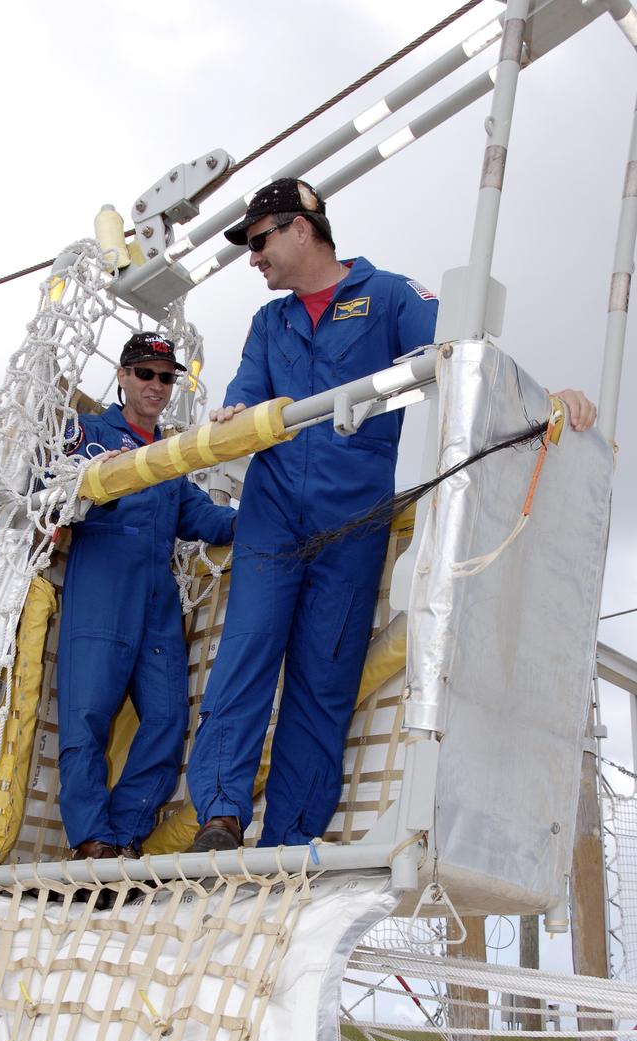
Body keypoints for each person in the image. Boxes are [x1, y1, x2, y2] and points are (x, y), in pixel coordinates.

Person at [186, 177, 597, 853]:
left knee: (326, 676)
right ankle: (221, 818)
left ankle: (288, 840)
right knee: (244, 657)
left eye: (258, 242)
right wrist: (231, 417)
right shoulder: (268, 324)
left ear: (301, 228)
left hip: (352, 524)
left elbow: (466, 361)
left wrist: (547, 395)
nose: (252, 258)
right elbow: (245, 403)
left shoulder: (389, 297)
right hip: (272, 516)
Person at [57, 332, 236, 860]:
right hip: (101, 590)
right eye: (145, 373)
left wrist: (271, 519)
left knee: (166, 720)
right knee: (86, 716)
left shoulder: (171, 458)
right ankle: (91, 839)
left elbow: (207, 520)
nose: (156, 385)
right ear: (122, 375)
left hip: (158, 602)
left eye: (166, 377)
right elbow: (48, 488)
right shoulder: (86, 433)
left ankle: (125, 833)